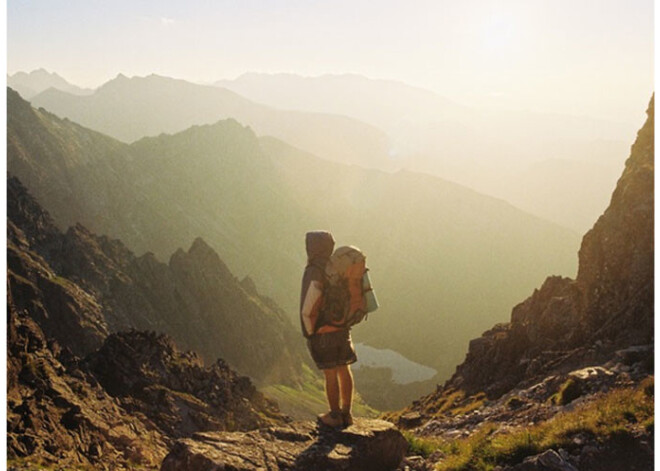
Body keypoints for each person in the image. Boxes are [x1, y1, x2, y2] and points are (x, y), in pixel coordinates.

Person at [300, 231, 357, 428]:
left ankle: (334, 416)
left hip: (323, 332)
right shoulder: (337, 267)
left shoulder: (314, 270)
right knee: (344, 368)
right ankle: (347, 414)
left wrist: (309, 332)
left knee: (330, 374)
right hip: (342, 328)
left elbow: (308, 307)